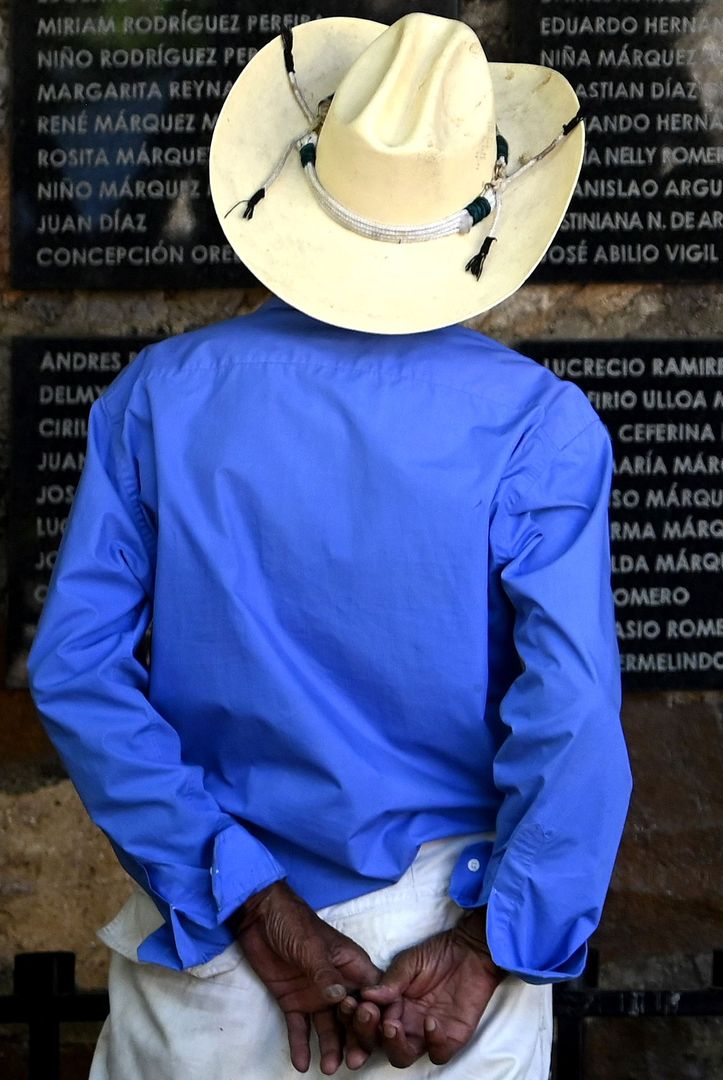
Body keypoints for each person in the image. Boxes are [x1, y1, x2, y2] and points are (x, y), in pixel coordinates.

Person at [28, 13, 631, 1077]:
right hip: (442, 960)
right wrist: (497, 940)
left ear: (303, 185)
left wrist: (251, 904)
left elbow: (76, 671)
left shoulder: (160, 400)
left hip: (215, 955)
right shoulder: (537, 426)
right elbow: (572, 715)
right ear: (467, 214)